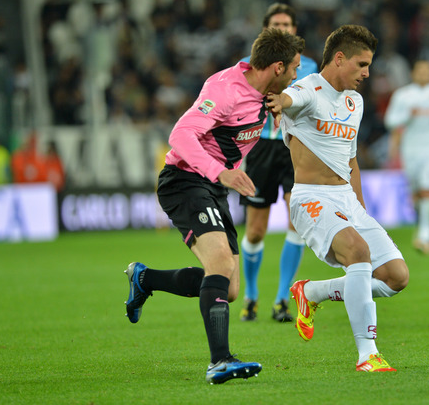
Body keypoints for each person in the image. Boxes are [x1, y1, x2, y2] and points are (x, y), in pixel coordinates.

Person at [123, 28, 305, 384]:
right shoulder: (224, 89)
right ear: (278, 66)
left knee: (229, 287)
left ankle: (144, 279)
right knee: (220, 263)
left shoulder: (266, 94)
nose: (296, 77)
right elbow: (179, 135)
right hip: (186, 179)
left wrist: (279, 112)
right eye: (294, 69)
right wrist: (220, 173)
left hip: (213, 188)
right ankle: (219, 361)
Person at [266, 25, 409, 372]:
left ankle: (311, 293)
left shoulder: (354, 102)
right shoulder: (310, 88)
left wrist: (358, 206)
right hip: (312, 198)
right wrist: (278, 101)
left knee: (396, 277)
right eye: (362, 64)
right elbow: (290, 99)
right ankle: (367, 354)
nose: (367, 73)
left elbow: (350, 160)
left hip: (345, 199)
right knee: (357, 254)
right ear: (339, 58)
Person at [238, 3, 319, 323]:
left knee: (296, 221)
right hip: (260, 149)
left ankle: (283, 298)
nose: (283, 28)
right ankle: (251, 294)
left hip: (294, 148)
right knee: (255, 230)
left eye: (288, 24)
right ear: (266, 30)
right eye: (277, 24)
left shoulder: (310, 66)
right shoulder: (249, 67)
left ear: (295, 29)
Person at [384, 60, 429, 255]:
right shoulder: (404, 95)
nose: (424, 74)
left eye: (428, 70)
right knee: (416, 193)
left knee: (427, 188)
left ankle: (424, 236)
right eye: (420, 70)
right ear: (414, 73)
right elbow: (390, 120)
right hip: (411, 149)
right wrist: (408, 115)